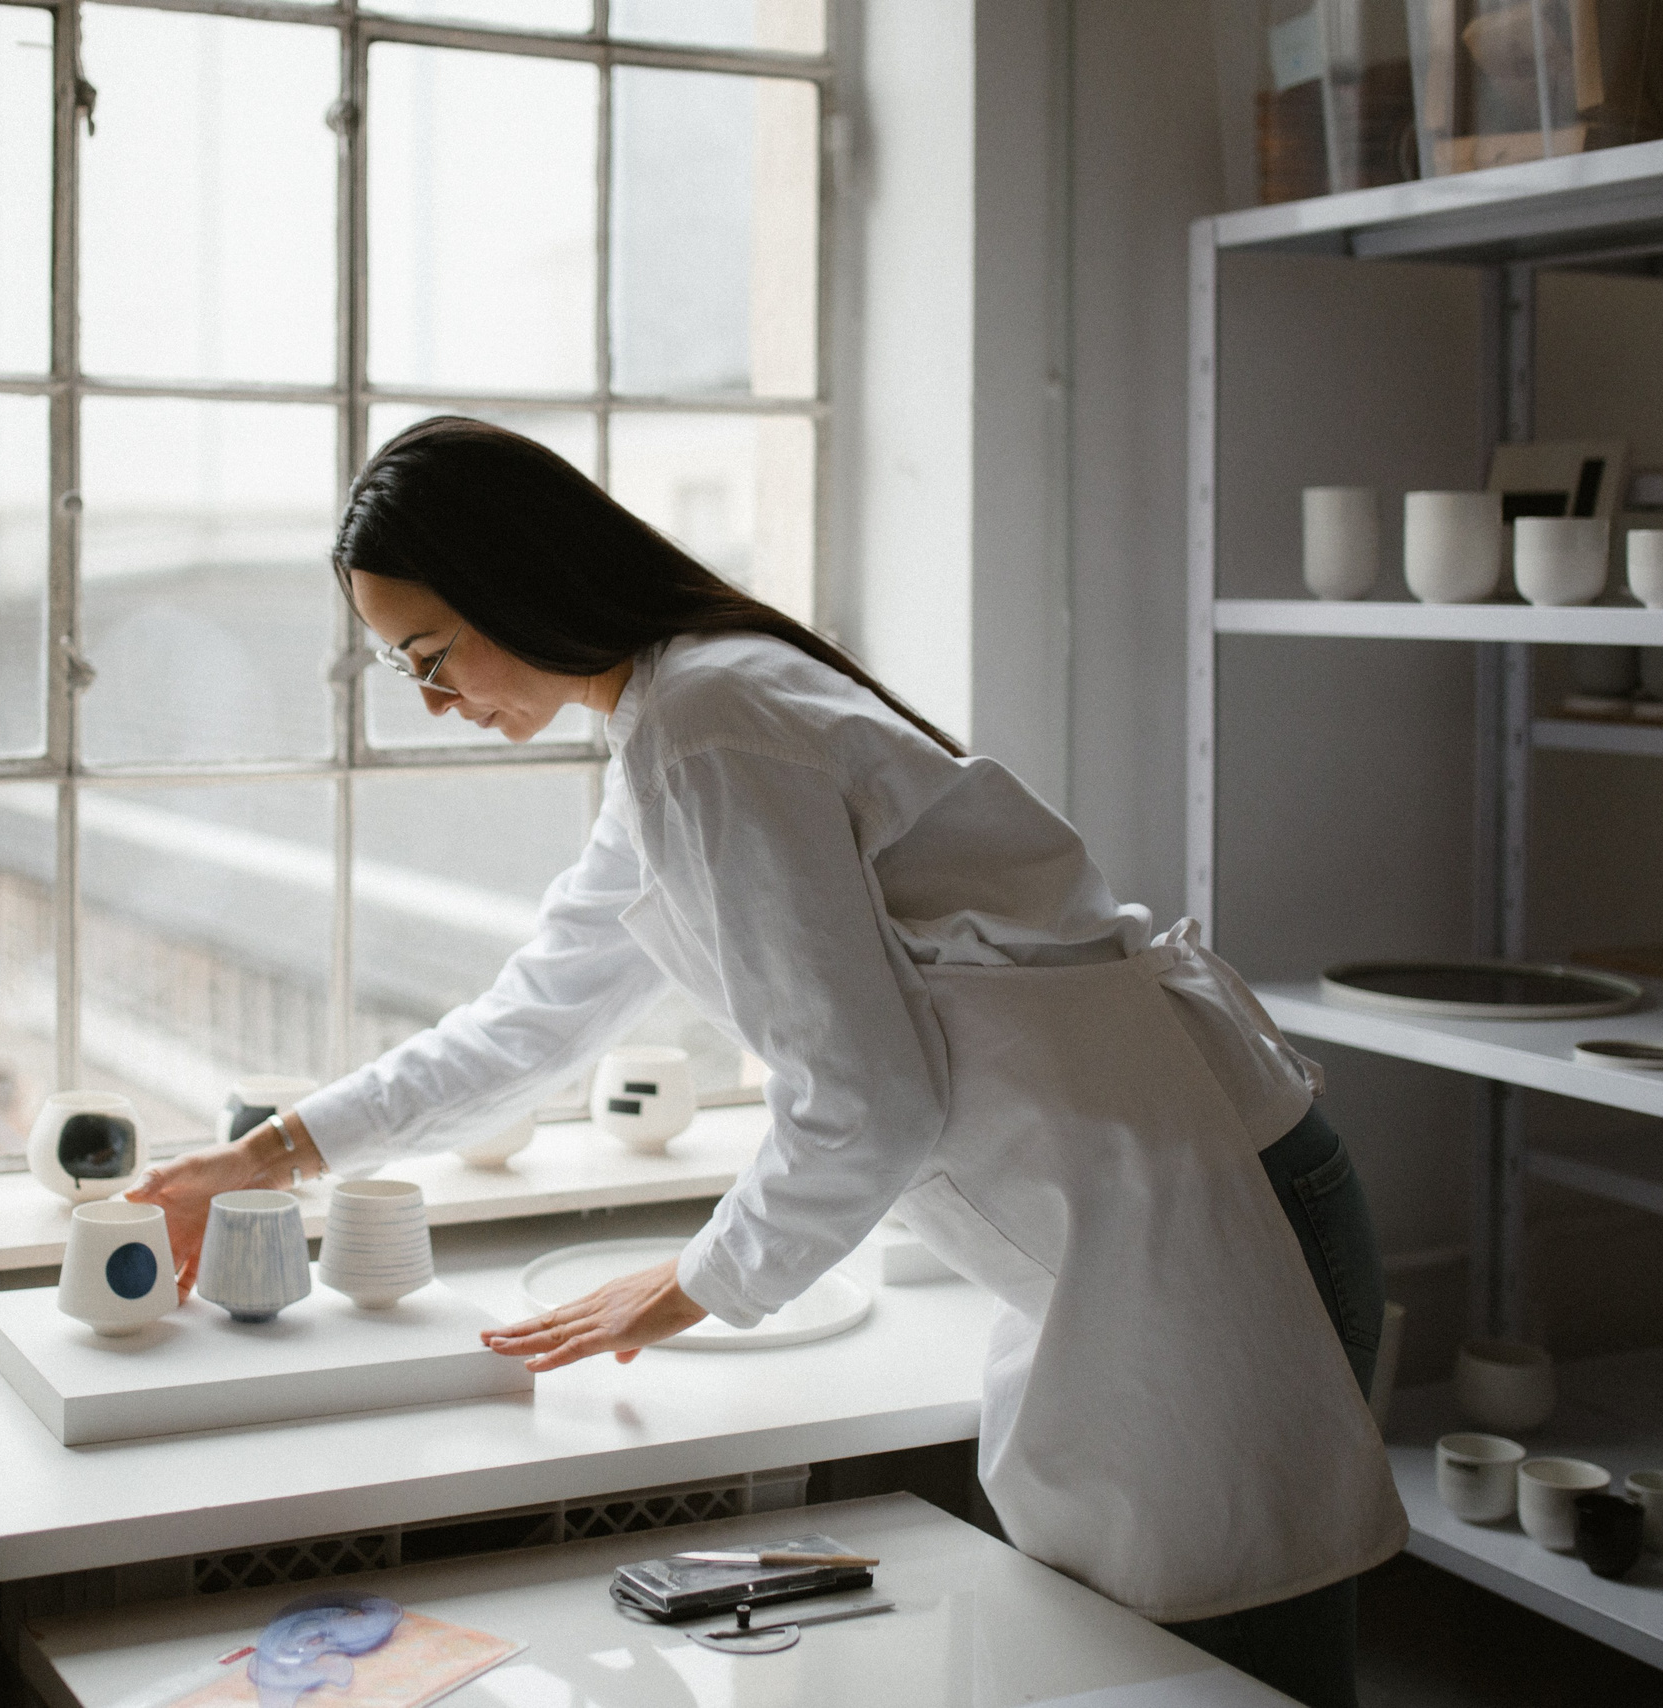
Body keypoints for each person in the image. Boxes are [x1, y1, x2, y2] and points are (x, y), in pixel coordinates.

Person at [129, 416, 1405, 1707]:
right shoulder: (672, 725)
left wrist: (692, 1284)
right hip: (1142, 1219)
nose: (432, 701)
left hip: (1213, 1218)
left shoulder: (708, 722)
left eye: (429, 654)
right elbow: (532, 1019)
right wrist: (267, 1155)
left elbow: (868, 1103)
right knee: (1157, 1668)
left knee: (1242, 1674)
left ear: (514, 582)